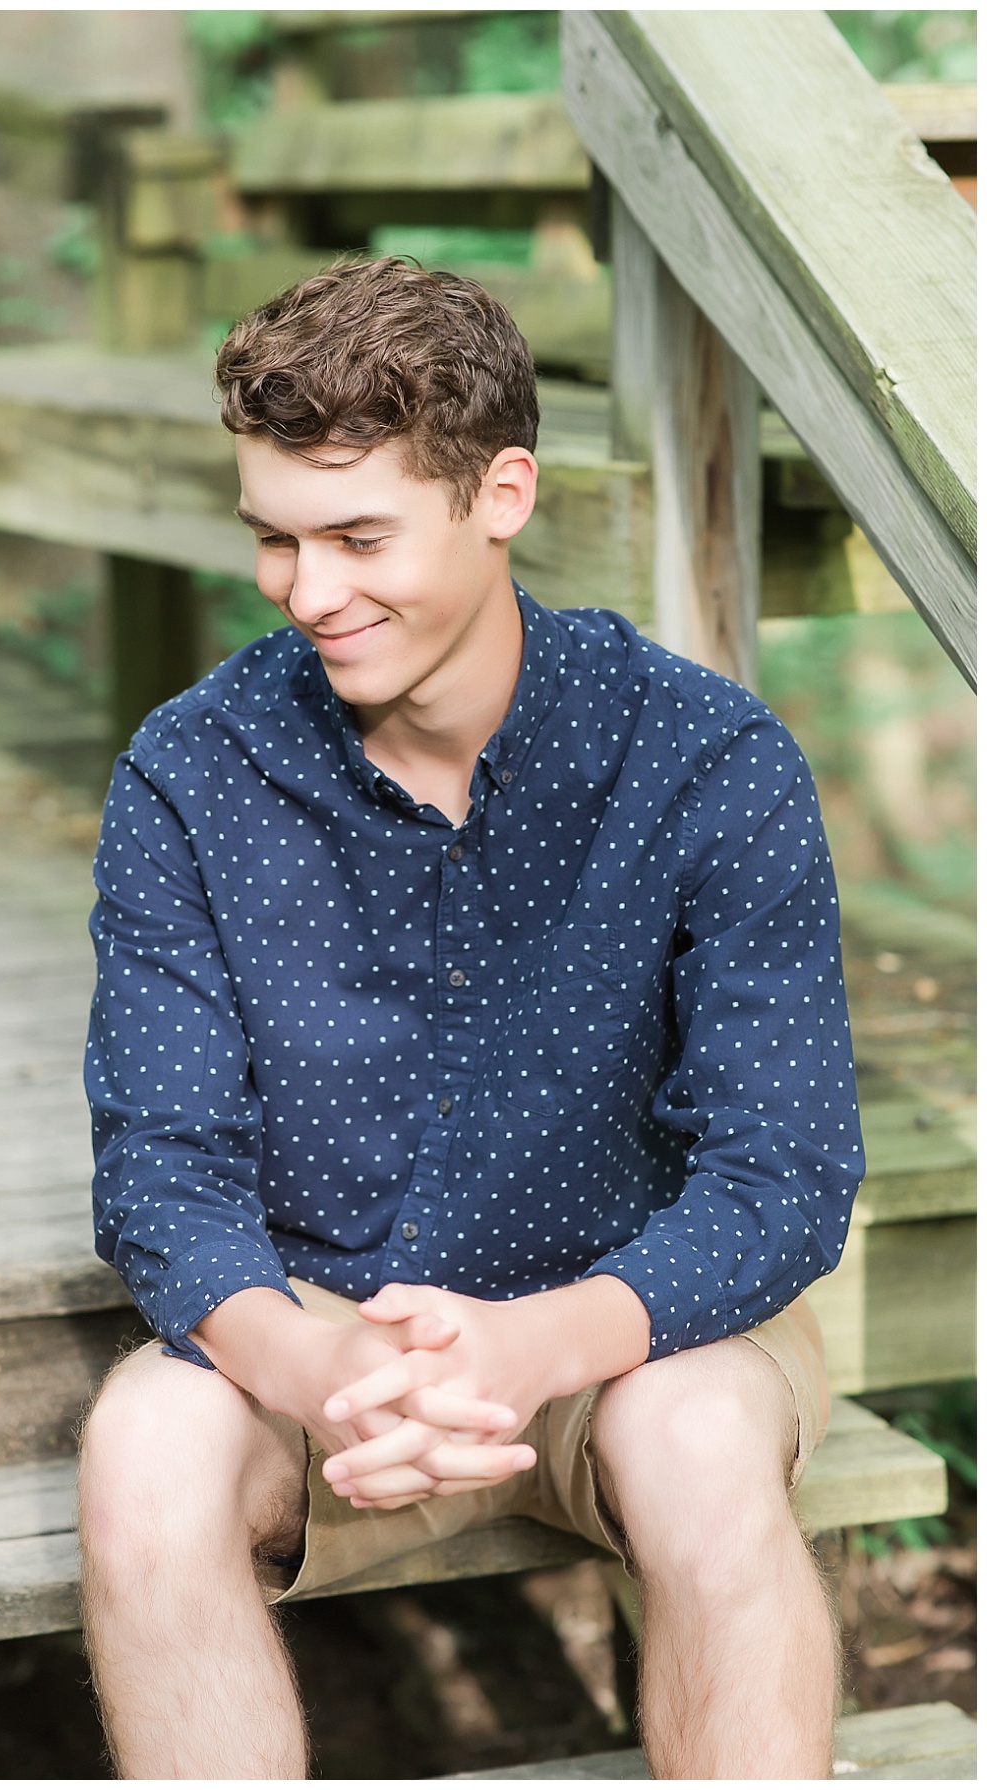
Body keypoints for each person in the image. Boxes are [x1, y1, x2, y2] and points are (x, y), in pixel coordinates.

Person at [78, 257, 863, 1780]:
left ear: (501, 492)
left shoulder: (711, 762)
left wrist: (536, 1345)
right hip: (318, 1342)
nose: (310, 593)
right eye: (274, 540)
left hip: (635, 1326)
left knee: (701, 1452)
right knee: (144, 1450)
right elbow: (165, 1180)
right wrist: (330, 1375)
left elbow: (782, 1175)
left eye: (359, 535)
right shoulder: (188, 773)